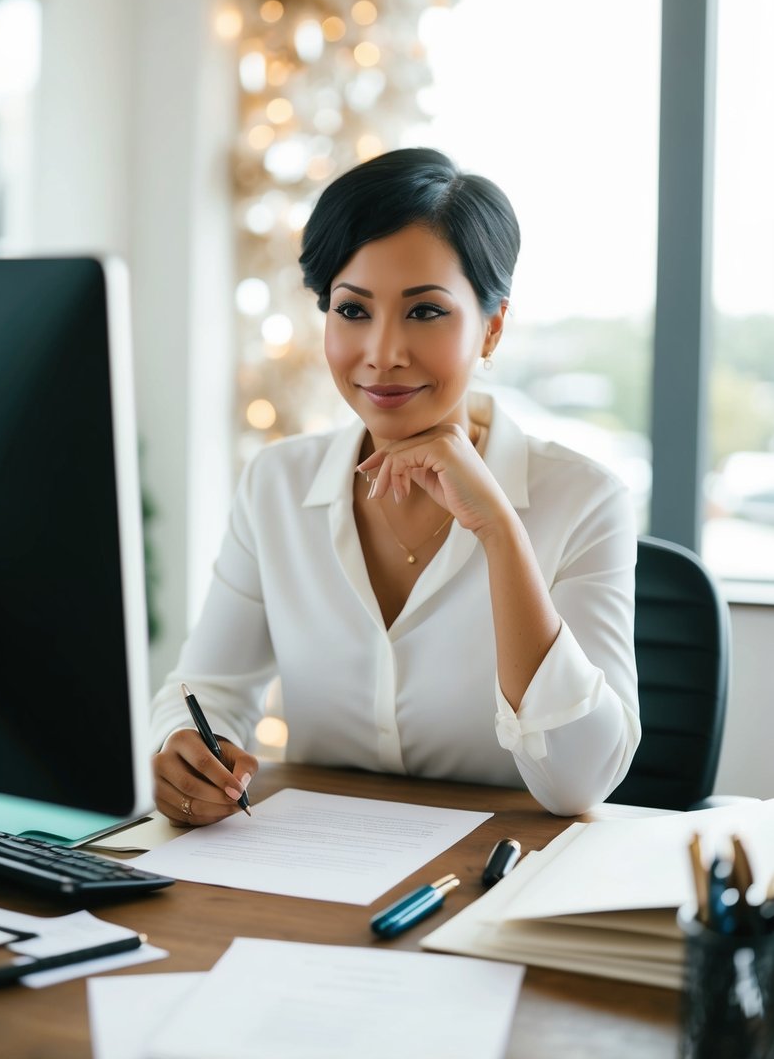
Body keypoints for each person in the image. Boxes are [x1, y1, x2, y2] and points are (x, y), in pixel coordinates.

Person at [150, 147, 640, 824]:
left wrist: (499, 531)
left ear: (491, 328)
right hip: (310, 869)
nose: (382, 352)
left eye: (425, 312)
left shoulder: (585, 500)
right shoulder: (277, 483)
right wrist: (183, 746)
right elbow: (206, 688)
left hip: (496, 880)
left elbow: (580, 784)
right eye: (352, 311)